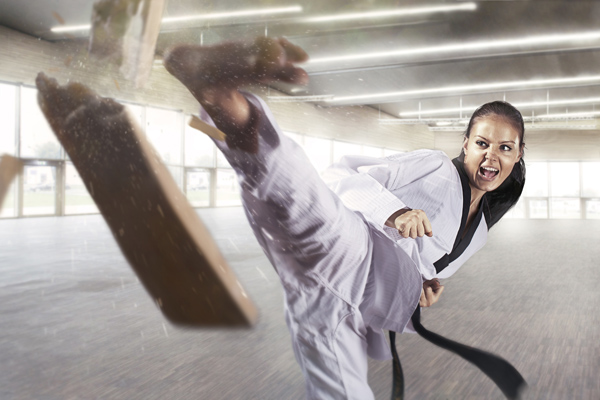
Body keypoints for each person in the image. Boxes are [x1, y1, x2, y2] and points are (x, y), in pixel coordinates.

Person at [163, 37, 526, 400]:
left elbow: (427, 271)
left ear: (518, 154)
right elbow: (342, 179)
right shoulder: (433, 165)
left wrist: (421, 291)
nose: (491, 155)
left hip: (356, 305)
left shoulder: (478, 234)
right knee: (297, 192)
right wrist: (396, 213)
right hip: (355, 248)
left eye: (505, 148)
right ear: (465, 144)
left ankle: (220, 96)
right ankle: (219, 94)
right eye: (482, 143)